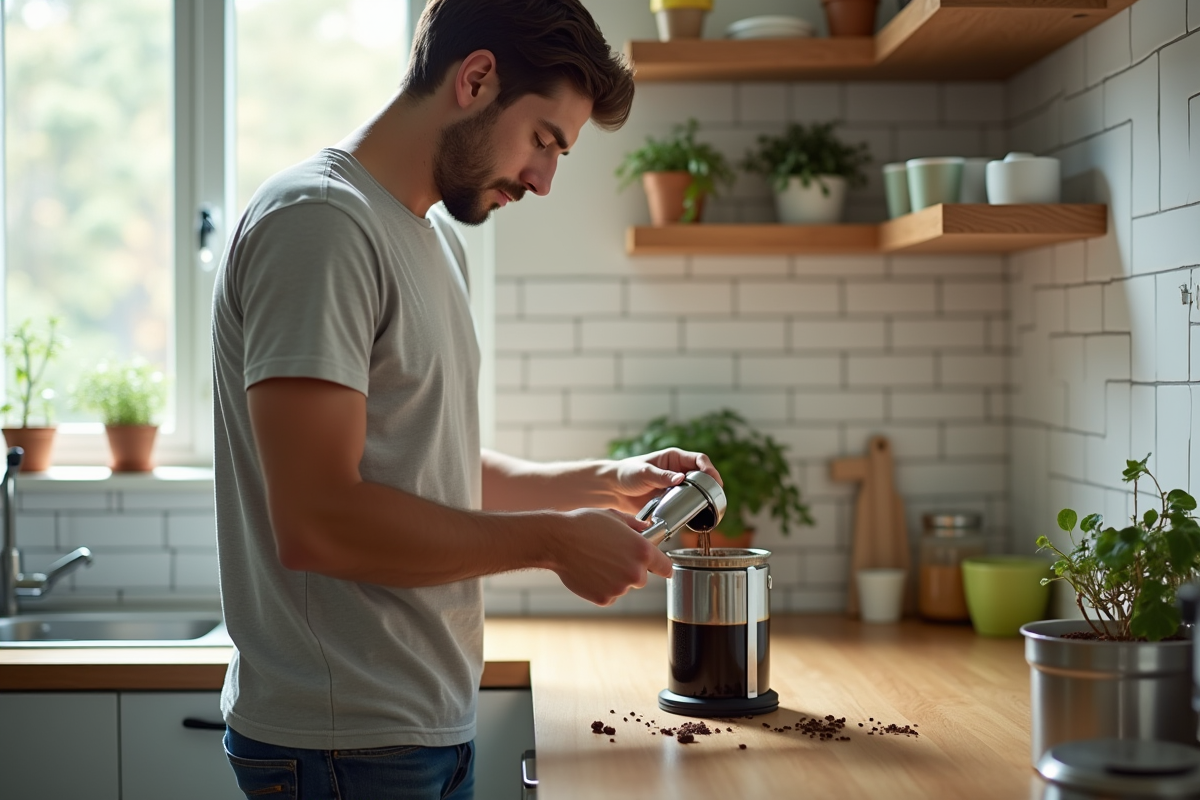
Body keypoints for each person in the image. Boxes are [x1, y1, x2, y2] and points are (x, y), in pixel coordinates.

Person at [211, 1, 721, 798]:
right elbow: (318, 522)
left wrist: (606, 481)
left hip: (421, 727)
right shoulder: (319, 223)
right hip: (343, 746)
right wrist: (553, 543)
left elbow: (427, 465)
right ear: (476, 78)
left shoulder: (429, 237)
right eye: (545, 140)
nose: (545, 180)